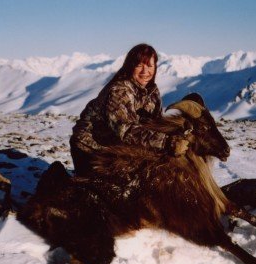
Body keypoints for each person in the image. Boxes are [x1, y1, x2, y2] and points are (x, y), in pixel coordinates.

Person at [69, 44, 189, 176]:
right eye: (139, 66)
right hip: (91, 149)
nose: (145, 71)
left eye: (150, 66)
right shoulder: (119, 90)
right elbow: (124, 130)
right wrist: (167, 142)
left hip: (119, 147)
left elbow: (155, 125)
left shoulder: (152, 92)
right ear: (130, 66)